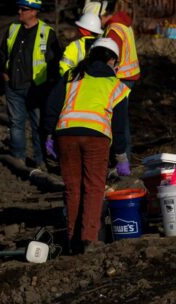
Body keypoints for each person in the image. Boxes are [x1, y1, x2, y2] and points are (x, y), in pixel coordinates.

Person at [42, 39, 129, 254]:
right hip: (96, 138)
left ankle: (73, 241)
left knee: (72, 188)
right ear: (112, 60)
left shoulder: (72, 76)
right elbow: (119, 126)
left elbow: (51, 106)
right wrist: (120, 155)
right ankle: (89, 239)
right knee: (94, 187)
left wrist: (48, 134)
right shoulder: (117, 86)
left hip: (66, 135)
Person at [0, 0, 62, 168]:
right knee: (16, 124)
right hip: (13, 86)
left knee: (38, 126)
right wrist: (5, 74)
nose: (19, 12)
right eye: (19, 8)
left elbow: (54, 62)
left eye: (24, 9)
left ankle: (40, 161)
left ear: (34, 12)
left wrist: (48, 86)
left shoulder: (47, 33)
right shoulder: (13, 29)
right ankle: (18, 158)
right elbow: (3, 53)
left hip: (36, 89)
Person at [95, 0, 140, 169]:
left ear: (103, 14)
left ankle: (122, 160)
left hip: (121, 78)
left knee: (119, 120)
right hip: (129, 76)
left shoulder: (113, 30)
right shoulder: (122, 25)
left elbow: (112, 58)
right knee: (122, 119)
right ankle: (123, 158)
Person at [59, 12, 101, 77]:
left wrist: (72, 80)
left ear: (81, 30)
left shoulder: (74, 46)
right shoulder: (103, 45)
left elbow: (64, 68)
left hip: (77, 82)